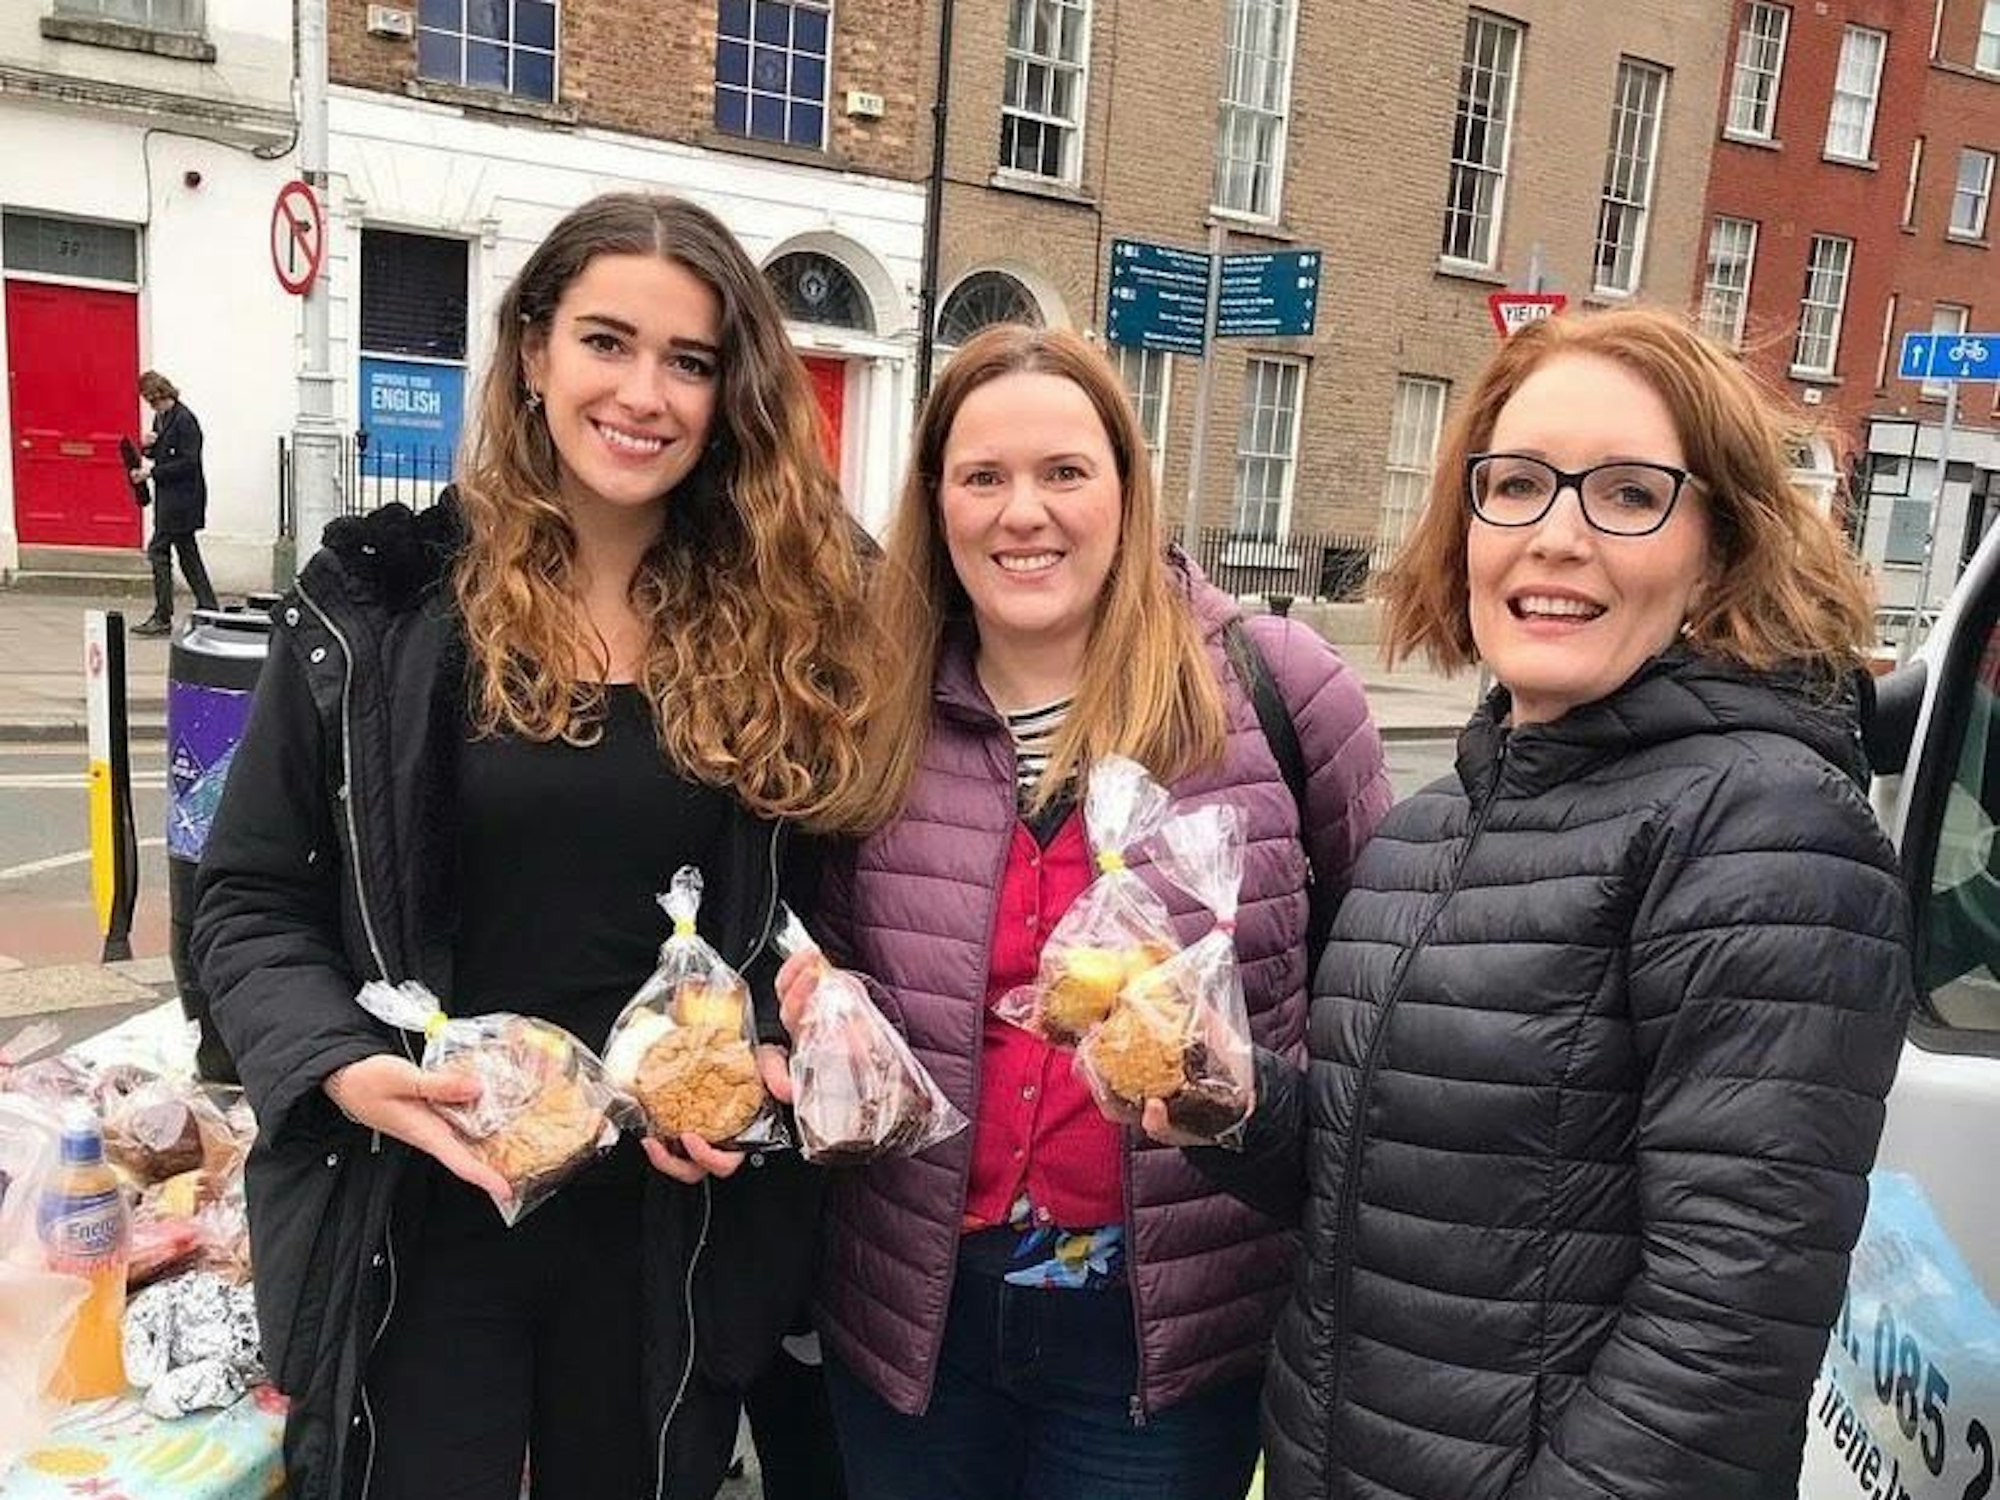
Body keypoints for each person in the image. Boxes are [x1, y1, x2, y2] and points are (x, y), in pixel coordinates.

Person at [190, 192, 883, 1500]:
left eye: (690, 361)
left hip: (667, 1233)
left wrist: (777, 1067)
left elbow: (824, 925)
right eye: (606, 342)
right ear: (532, 352)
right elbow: (244, 904)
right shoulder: (381, 608)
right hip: (421, 1204)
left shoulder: (792, 625)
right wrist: (339, 1065)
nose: (645, 393)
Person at [1195, 306, 1916, 1500]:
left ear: (1718, 546)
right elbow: (1408, 1185)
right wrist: (1237, 1104)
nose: (1555, 537)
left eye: (1626, 495)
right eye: (1516, 485)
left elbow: (1723, 1329)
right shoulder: (1430, 832)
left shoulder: (1763, 832)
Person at [774, 324, 1392, 1500]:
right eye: (982, 476)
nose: (1024, 514)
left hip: (1169, 1333)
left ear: (1125, 487)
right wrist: (808, 1002)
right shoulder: (863, 700)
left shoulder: (1278, 687)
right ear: (934, 500)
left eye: (1064, 472)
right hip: (913, 1316)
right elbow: (801, 939)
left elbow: (1377, 996)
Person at [130, 369, 218, 636]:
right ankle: (208, 607)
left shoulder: (185, 420)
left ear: (164, 394)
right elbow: (162, 454)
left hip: (184, 499)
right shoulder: (163, 418)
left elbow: (188, 462)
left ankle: (163, 615)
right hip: (170, 499)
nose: (154, 407)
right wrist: (147, 448)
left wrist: (151, 472)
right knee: (188, 555)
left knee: (158, 551)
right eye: (150, 403)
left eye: (155, 401)